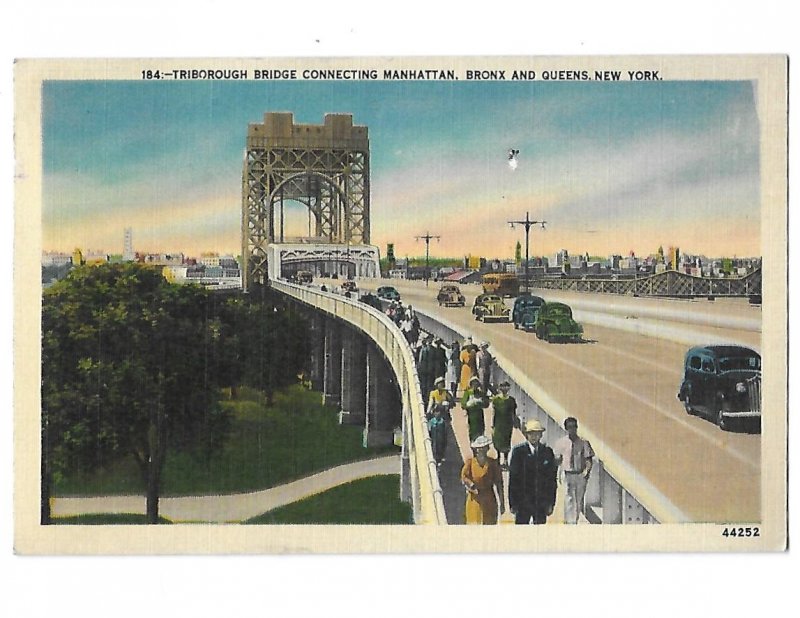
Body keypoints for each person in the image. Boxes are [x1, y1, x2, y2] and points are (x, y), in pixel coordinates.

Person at [508, 418, 557, 525]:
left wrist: (550, 503)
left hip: (541, 502)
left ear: (541, 435)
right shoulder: (518, 452)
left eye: (537, 433)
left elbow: (552, 480)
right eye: (531, 433)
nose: (534, 436)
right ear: (526, 435)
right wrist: (513, 503)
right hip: (523, 502)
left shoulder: (547, 452)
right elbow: (513, 479)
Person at [553, 417, 595, 524]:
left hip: (579, 474)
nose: (572, 429)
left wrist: (586, 473)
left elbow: (588, 459)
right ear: (566, 428)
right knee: (569, 498)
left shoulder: (584, 442)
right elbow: (557, 459)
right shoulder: (561, 443)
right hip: (567, 473)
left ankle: (574, 519)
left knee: (578, 499)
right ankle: (569, 521)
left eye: (574, 427)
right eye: (569, 427)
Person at [461, 435, 505, 525]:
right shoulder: (470, 463)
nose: (482, 450)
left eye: (485, 448)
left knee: (489, 524)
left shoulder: (492, 463)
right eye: (480, 448)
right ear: (476, 449)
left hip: (489, 499)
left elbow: (499, 483)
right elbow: (464, 477)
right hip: (475, 498)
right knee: (474, 523)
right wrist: (471, 484)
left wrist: (502, 503)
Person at [491, 381, 519, 469]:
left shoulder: (511, 400)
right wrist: (493, 424)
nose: (504, 389)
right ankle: (498, 457)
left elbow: (513, 413)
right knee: (498, 440)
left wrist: (515, 422)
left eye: (506, 387)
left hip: (507, 424)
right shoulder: (496, 399)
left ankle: (506, 459)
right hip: (499, 423)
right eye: (502, 387)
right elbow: (494, 413)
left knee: (506, 441)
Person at [461, 375, 488, 442]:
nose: (475, 385)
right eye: (473, 383)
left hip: (479, 415)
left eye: (476, 383)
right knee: (473, 431)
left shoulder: (481, 393)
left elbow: (486, 404)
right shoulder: (467, 393)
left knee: (481, 430)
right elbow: (463, 404)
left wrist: (479, 403)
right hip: (472, 416)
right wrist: (470, 405)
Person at [416, 335, 438, 401]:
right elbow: (418, 360)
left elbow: (435, 361)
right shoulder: (420, 349)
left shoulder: (434, 349)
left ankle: (427, 398)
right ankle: (423, 397)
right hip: (423, 370)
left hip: (430, 370)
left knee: (429, 385)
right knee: (423, 384)